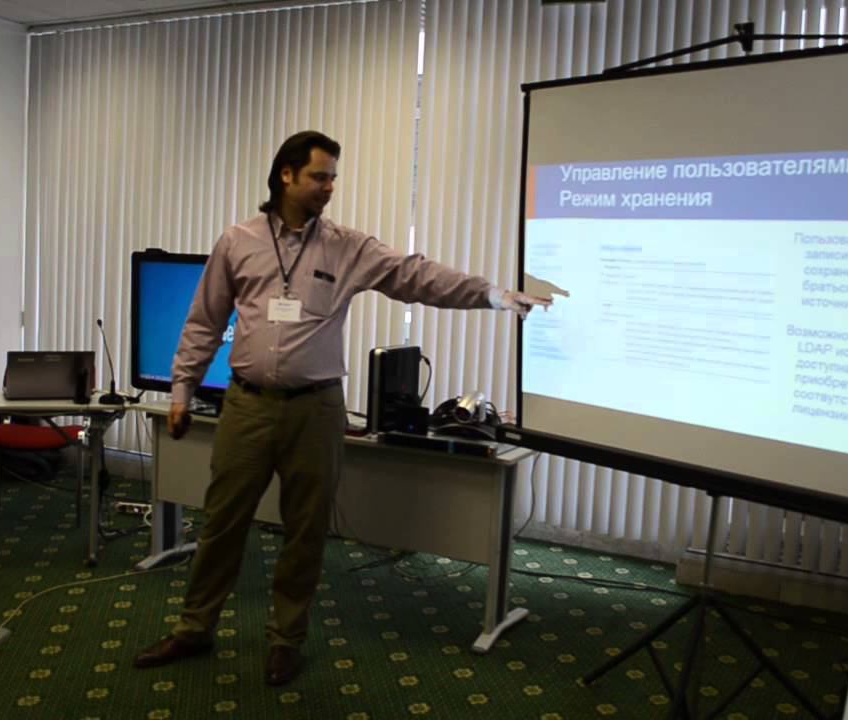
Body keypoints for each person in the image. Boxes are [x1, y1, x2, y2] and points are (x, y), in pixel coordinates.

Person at [132, 131, 551, 685]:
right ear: (286, 175)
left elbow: (418, 275)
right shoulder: (238, 241)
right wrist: (182, 391)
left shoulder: (348, 247)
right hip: (247, 405)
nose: (330, 187)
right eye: (319, 176)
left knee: (305, 531)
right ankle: (194, 628)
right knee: (222, 523)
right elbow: (204, 321)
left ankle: (286, 640)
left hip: (317, 409)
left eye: (333, 178)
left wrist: (493, 295)